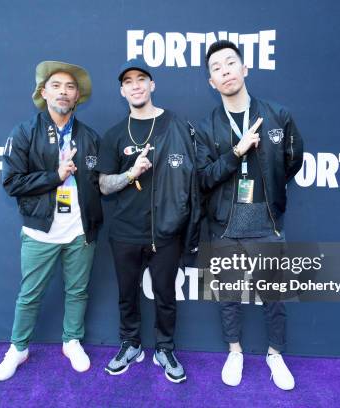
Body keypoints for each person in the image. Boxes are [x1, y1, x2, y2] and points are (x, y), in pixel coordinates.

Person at [196, 40, 303, 390]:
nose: (225, 70)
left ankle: (275, 354)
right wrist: (236, 152)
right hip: (225, 224)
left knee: (274, 295)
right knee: (227, 294)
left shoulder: (277, 115)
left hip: (266, 223)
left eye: (231, 63)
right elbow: (204, 177)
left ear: (245, 69)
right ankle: (235, 351)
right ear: (212, 82)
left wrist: (269, 192)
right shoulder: (207, 125)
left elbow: (291, 162)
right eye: (217, 67)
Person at [0, 61, 103, 381]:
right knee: (30, 294)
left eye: (70, 87)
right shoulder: (25, 131)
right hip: (40, 229)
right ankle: (18, 348)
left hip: (80, 230)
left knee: (78, 290)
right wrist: (55, 176)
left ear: (77, 96)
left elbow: (99, 183)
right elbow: (12, 183)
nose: (64, 91)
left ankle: (71, 341)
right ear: (44, 92)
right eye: (56, 85)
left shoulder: (90, 137)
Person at [96, 58, 200, 384]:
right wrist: (131, 173)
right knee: (127, 294)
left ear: (152, 85)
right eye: (129, 81)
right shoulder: (114, 135)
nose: (136, 85)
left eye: (142, 79)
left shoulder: (176, 126)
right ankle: (130, 345)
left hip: (166, 230)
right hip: (125, 232)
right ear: (122, 91)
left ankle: (165, 349)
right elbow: (103, 185)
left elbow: (195, 177)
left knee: (165, 295)